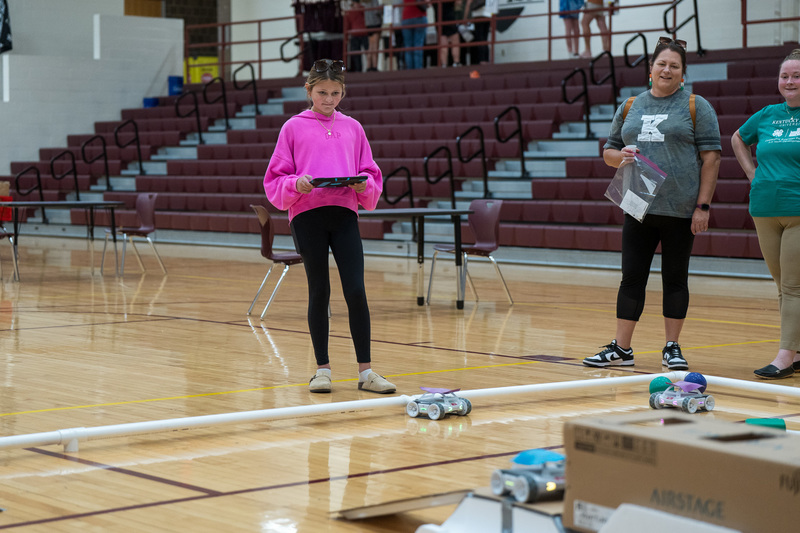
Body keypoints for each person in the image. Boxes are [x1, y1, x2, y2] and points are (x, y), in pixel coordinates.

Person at [583, 37, 721, 370]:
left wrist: (702, 207)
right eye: (662, 64)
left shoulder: (695, 105)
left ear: (683, 73)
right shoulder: (630, 105)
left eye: (674, 65)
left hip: (679, 208)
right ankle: (622, 348)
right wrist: (622, 156)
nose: (667, 70)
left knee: (675, 278)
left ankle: (672, 347)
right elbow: (608, 153)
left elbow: (712, 158)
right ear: (651, 69)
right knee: (631, 277)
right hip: (637, 204)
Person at [263, 59, 396, 394]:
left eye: (335, 93)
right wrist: (298, 184)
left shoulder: (353, 127)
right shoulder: (292, 127)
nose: (329, 99)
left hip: (344, 213)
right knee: (319, 290)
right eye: (322, 92)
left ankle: (366, 372)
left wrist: (363, 185)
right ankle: (322, 369)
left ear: (343, 93)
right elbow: (276, 179)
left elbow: (370, 172)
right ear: (309, 91)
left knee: (355, 289)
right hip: (307, 215)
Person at [731, 49, 800, 379]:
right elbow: (737, 139)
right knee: (782, 285)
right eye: (785, 76)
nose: (790, 81)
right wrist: (751, 173)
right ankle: (797, 350)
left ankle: (785, 355)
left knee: (794, 286)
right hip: (764, 208)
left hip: (798, 209)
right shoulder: (768, 114)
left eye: (797, 75)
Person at [401, 0, 428, 69]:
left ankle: (410, 70)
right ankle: (418, 70)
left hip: (406, 17)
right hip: (419, 15)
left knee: (408, 47)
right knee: (418, 45)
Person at [437, 1, 462, 67]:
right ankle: (456, 62)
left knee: (443, 44)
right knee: (455, 41)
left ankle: (444, 64)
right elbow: (459, 3)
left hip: (439, 19)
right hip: (450, 18)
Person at [345, 0, 368, 72]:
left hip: (354, 34)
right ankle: (371, 67)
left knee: (356, 55)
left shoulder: (349, 12)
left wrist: (346, 38)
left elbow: (347, 25)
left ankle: (359, 70)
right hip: (364, 32)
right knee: (368, 52)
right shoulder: (363, 9)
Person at [363, 0, 382, 71]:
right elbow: (377, 11)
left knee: (371, 46)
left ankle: (368, 66)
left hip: (368, 24)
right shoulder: (374, 1)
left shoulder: (365, 2)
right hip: (375, 23)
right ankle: (374, 66)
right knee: (375, 46)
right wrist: (382, 9)